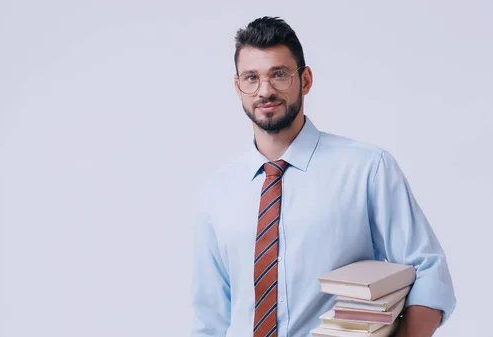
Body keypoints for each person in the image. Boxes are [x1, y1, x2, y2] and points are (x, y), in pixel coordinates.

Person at [191, 16, 456, 337]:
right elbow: (211, 318)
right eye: (251, 77)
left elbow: (429, 271)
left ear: (305, 80)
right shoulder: (218, 191)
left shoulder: (366, 169)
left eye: (279, 75)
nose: (265, 90)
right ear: (238, 87)